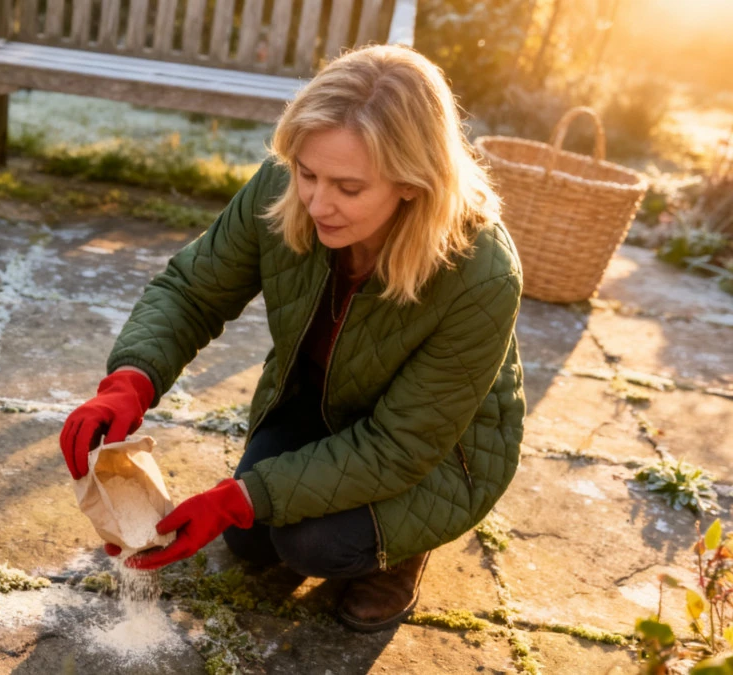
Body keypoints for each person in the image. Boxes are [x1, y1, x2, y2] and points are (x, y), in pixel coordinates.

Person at [59, 44, 525, 633]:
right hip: (318, 407)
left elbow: (400, 446)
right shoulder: (285, 188)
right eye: (308, 173)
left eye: (349, 188)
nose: (317, 202)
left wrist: (238, 496)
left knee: (314, 545)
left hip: (436, 456)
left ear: (412, 182)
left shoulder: (481, 271)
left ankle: (402, 553)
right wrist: (130, 381)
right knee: (254, 545)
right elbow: (194, 290)